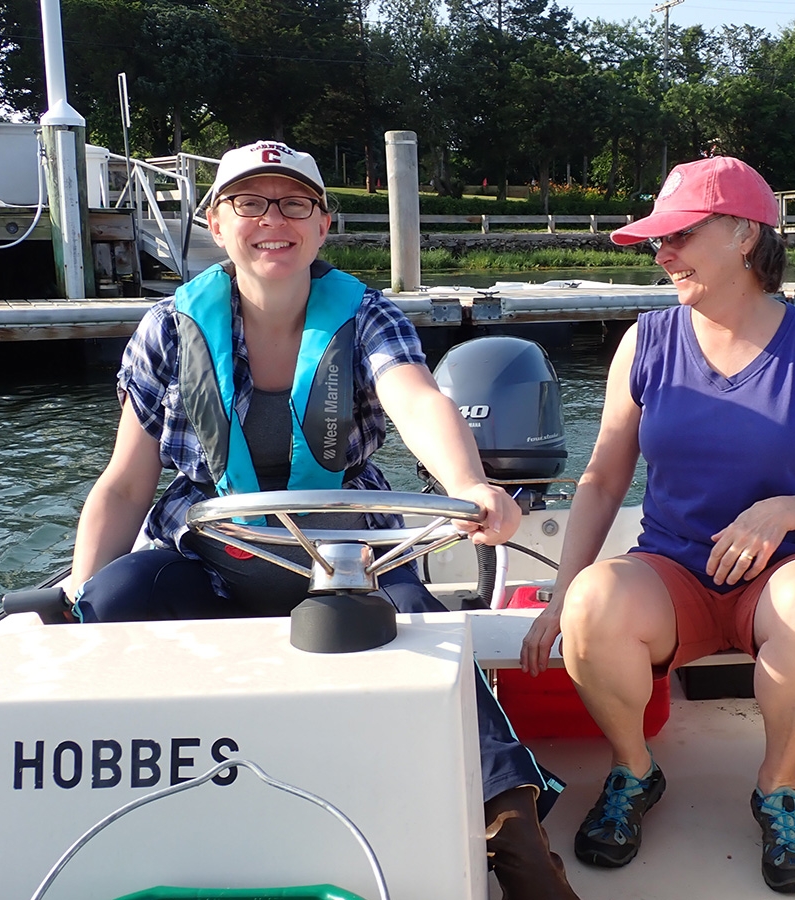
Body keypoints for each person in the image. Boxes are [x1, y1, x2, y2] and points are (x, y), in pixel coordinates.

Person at [66, 140, 581, 900]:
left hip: (352, 555)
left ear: (323, 224)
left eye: (293, 203)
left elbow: (416, 397)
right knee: (111, 603)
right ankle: (138, 816)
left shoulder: (368, 316)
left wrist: (470, 482)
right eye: (250, 202)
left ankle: (516, 841)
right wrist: (76, 594)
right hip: (214, 554)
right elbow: (123, 485)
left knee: (423, 637)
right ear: (215, 220)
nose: (273, 219)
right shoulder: (167, 331)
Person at [519, 156, 795, 894]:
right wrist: (559, 595)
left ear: (746, 235)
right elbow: (600, 481)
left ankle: (778, 787)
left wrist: (786, 510)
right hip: (673, 571)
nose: (662, 255)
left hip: (782, 572)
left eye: (680, 235)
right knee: (593, 603)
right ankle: (634, 772)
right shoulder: (646, 342)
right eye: (658, 241)